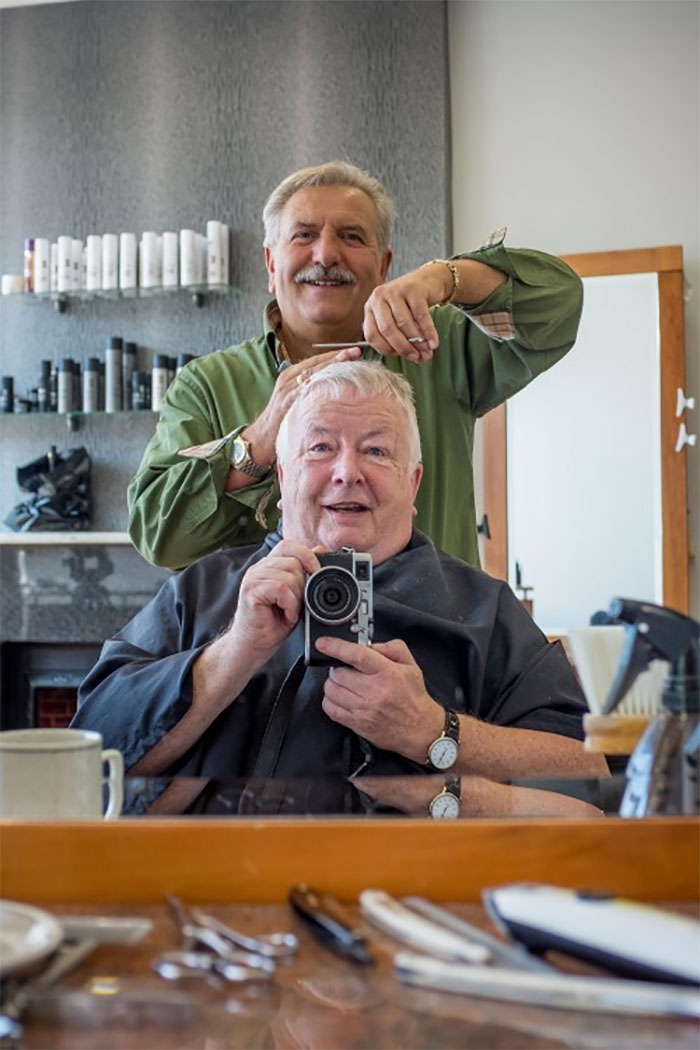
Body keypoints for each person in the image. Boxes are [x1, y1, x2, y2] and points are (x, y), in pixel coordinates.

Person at [76, 362, 606, 793]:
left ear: (413, 482)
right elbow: (89, 755)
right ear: (282, 478)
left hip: (420, 901)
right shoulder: (206, 590)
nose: (347, 471)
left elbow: (588, 775)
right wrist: (233, 652)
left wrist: (435, 732)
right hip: (221, 892)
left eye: (376, 450)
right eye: (321, 447)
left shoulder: (482, 609)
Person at [127, 161, 583, 571]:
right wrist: (257, 444)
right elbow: (158, 536)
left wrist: (444, 278)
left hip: (431, 650)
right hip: (265, 657)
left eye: (351, 236)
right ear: (270, 263)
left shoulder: (439, 345)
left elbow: (558, 306)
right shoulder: (207, 385)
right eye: (303, 235)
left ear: (384, 265)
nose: (325, 255)